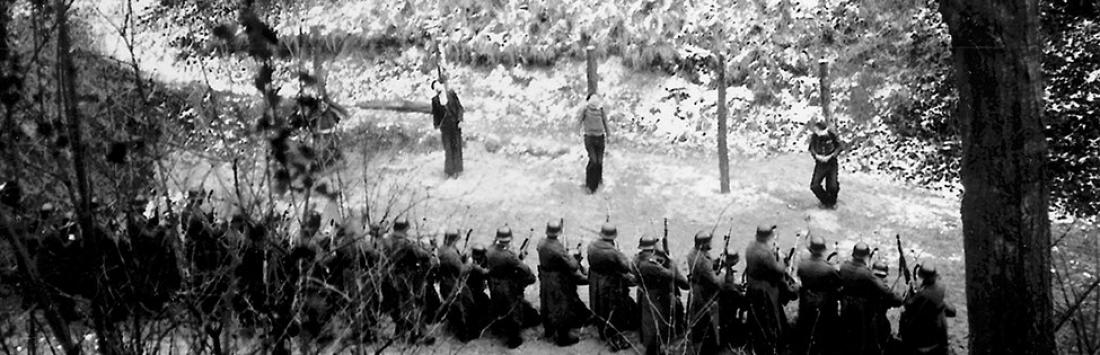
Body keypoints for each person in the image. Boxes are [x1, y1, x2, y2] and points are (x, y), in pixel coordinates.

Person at [838, 242, 904, 355]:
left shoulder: (843, 267)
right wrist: (899, 299)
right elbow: (886, 292)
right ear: (866, 257)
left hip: (845, 311)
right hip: (861, 316)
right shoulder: (866, 274)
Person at [380, 217, 436, 344]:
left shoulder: (385, 240)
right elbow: (423, 255)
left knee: (396, 307)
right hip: (402, 278)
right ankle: (412, 335)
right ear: (405, 228)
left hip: (387, 277)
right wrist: (428, 249)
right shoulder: (405, 242)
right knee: (409, 305)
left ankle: (399, 333)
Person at [537, 220, 592, 346]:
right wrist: (572, 256)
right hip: (556, 279)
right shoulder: (557, 248)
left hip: (545, 277)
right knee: (561, 307)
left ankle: (548, 329)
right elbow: (572, 265)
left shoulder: (541, 243)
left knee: (546, 303)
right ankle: (563, 338)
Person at [634, 235, 689, 355]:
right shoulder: (649, 264)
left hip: (644, 293)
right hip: (654, 297)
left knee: (648, 324)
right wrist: (671, 261)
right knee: (655, 325)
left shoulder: (637, 258)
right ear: (653, 247)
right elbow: (670, 274)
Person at [587, 222, 638, 351]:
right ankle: (613, 337)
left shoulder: (591, 246)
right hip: (609, 282)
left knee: (598, 306)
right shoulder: (613, 252)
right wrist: (619, 253)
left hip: (595, 280)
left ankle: (601, 328)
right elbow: (625, 267)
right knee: (612, 309)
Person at [486, 227, 540, 348]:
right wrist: (520, 260)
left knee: (498, 305)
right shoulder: (509, 255)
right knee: (513, 309)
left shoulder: (489, 250)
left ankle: (498, 327)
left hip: (493, 283)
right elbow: (525, 270)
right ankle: (513, 339)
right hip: (507, 285)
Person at [744, 224, 790, 355]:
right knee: (771, 315)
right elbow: (779, 270)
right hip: (765, 289)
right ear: (769, 236)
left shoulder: (751, 245)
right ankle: (773, 342)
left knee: (755, 316)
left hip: (752, 285)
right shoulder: (764, 252)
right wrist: (780, 257)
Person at [794, 235, 842, 355]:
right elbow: (839, 283)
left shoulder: (802, 265)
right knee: (823, 330)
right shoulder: (829, 269)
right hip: (824, 304)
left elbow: (800, 277)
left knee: (805, 327)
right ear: (823, 250)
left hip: (806, 301)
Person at [899, 263, 957, 355]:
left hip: (923, 343)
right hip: (939, 338)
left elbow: (908, 306)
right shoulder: (939, 288)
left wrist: (908, 293)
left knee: (903, 314)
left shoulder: (922, 296)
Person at [437, 229, 478, 341]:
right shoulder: (450, 253)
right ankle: (464, 334)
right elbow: (462, 270)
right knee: (463, 306)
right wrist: (469, 262)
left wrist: (461, 257)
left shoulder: (443, 248)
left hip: (446, 282)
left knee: (455, 305)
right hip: (453, 283)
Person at [687, 231, 724, 355]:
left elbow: (704, 266)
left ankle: (696, 339)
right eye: (709, 242)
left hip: (696, 289)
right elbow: (715, 281)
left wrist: (713, 262)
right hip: (705, 293)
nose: (711, 244)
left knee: (697, 316)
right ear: (703, 244)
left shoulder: (692, 253)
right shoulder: (703, 260)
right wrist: (722, 275)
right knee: (707, 320)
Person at [578, 93, 611, 193]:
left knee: (599, 161)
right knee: (594, 160)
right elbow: (579, 121)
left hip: (600, 138)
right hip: (589, 138)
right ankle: (590, 185)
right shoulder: (585, 110)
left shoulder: (601, 110)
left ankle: (598, 180)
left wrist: (609, 135)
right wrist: (578, 132)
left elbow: (605, 122)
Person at [431, 79, 464, 178]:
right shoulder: (435, 100)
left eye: (438, 85)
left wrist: (460, 120)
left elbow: (460, 108)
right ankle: (449, 171)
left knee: (456, 147)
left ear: (441, 85)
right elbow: (435, 115)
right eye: (435, 88)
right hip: (445, 128)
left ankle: (457, 170)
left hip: (455, 125)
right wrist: (436, 125)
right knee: (448, 148)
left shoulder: (451, 94)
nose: (437, 88)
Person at [808, 120, 842, 208]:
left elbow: (839, 147)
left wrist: (831, 155)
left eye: (818, 130)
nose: (816, 132)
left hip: (831, 162)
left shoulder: (831, 136)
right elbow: (811, 148)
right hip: (820, 163)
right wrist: (816, 156)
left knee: (832, 185)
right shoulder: (814, 137)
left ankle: (832, 203)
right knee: (814, 185)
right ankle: (826, 201)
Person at [466, 243, 493, 339]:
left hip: (475, 289)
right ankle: (474, 332)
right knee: (475, 310)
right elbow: (486, 272)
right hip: (473, 289)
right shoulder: (472, 264)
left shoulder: (472, 259)